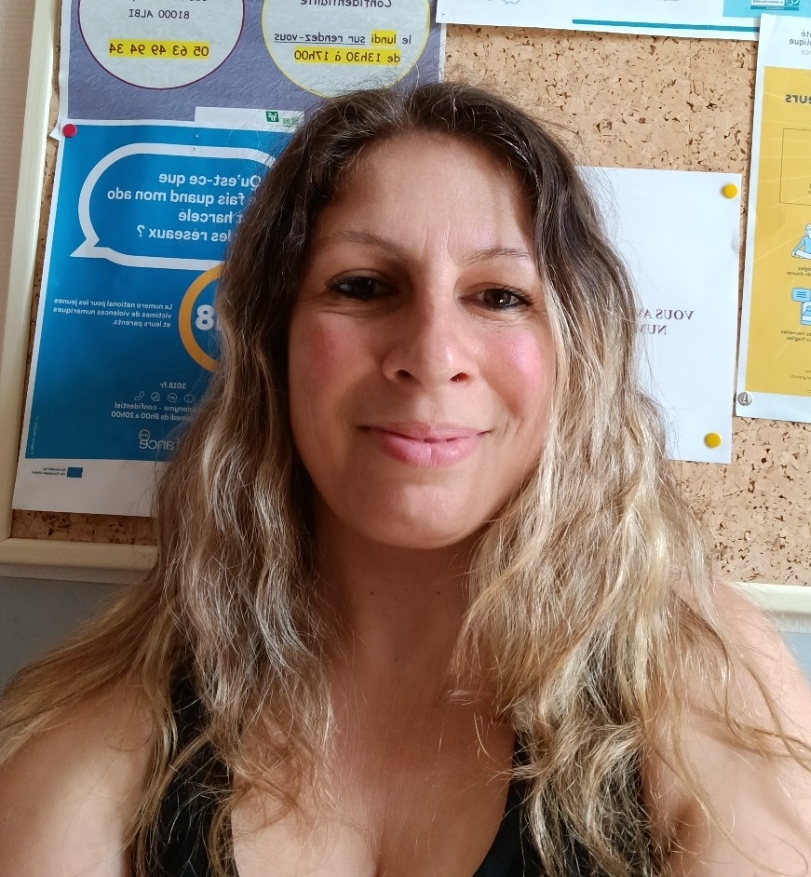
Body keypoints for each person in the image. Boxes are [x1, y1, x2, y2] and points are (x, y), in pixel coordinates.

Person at [1, 82, 810, 877]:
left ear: (579, 353)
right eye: (362, 286)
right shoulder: (108, 726)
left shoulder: (699, 670)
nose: (430, 354)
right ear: (273, 343)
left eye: (498, 296)